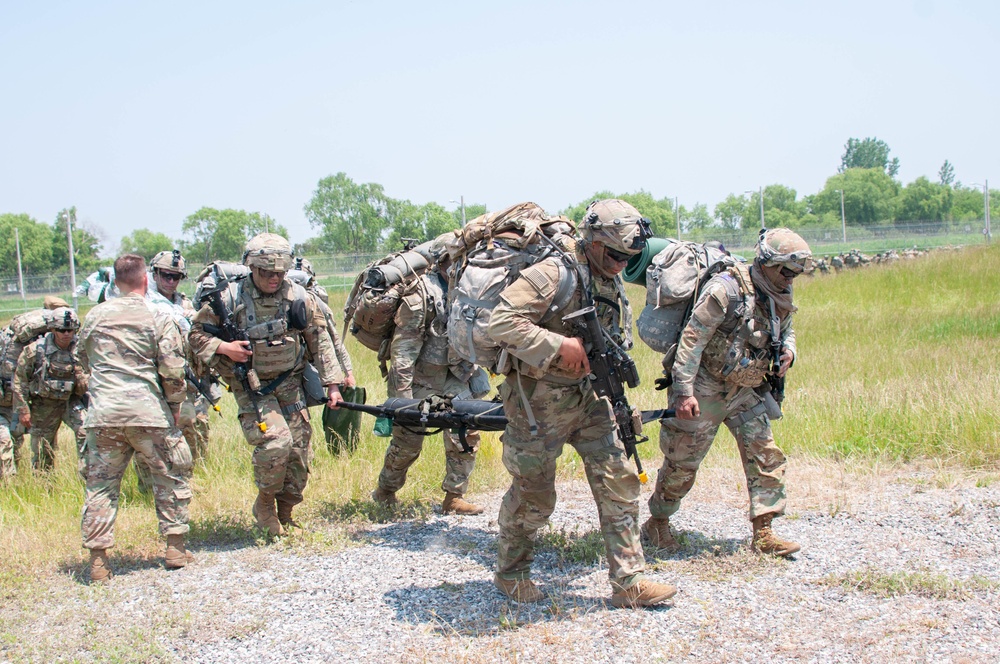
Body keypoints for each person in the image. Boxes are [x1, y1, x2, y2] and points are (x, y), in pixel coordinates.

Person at [487, 199, 677, 608]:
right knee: (534, 494)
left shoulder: (608, 275)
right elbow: (499, 321)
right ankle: (511, 572)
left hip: (592, 397)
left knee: (619, 480)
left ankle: (629, 581)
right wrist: (558, 344)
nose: (620, 264)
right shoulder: (553, 273)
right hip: (538, 402)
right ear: (592, 240)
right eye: (614, 254)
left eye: (629, 258)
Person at [644, 228, 812, 558]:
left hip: (746, 390)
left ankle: (764, 531)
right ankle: (657, 523)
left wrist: (789, 353)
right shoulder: (726, 290)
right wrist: (683, 392)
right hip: (705, 385)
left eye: (796, 273)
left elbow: (787, 331)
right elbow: (692, 341)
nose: (791, 278)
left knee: (764, 453)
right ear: (767, 263)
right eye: (786, 271)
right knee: (682, 461)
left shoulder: (778, 295)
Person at [189, 233, 344, 536]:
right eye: (267, 273)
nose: (274, 279)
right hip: (252, 387)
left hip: (290, 384)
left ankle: (285, 512)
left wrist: (333, 385)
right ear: (252, 268)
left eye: (280, 273)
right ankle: (264, 506)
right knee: (277, 443)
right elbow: (195, 336)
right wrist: (225, 349)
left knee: (299, 454)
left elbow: (319, 339)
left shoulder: (298, 297)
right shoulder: (230, 299)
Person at [76, 254, 194, 582]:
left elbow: (82, 359)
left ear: (115, 282)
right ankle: (174, 548)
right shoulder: (157, 314)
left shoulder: (95, 316)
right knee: (169, 475)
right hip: (148, 412)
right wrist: (174, 407)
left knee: (100, 486)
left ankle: (98, 562)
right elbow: (172, 369)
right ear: (146, 280)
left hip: (104, 415)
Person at [370, 252, 485, 515]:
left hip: (456, 375)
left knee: (465, 431)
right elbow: (403, 351)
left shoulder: (471, 288)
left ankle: (454, 497)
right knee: (408, 442)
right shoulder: (422, 294)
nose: (463, 266)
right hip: (422, 379)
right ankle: (386, 491)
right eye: (458, 261)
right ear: (443, 262)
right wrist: (402, 400)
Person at [12, 307, 88, 474]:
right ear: (53, 329)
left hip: (71, 402)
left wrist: (82, 378)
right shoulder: (35, 351)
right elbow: (20, 381)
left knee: (86, 432)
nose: (66, 334)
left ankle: (88, 478)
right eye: (62, 330)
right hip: (44, 405)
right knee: (42, 449)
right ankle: (45, 486)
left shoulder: (81, 349)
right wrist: (23, 410)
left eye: (70, 330)